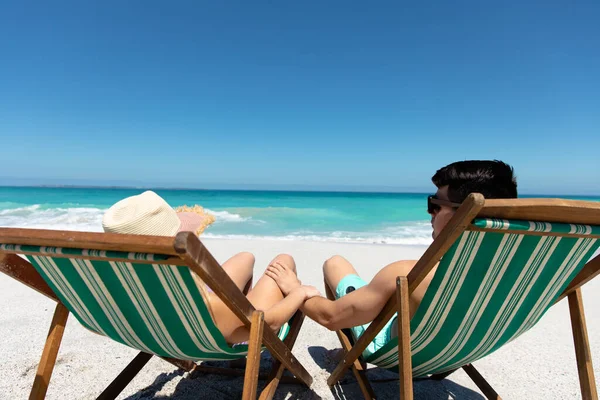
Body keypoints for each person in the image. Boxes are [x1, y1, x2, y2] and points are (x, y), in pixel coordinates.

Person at [266, 160, 518, 359]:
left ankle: (351, 351)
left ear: (461, 215)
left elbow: (330, 317)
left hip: (398, 349)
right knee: (337, 263)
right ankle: (367, 299)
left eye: (435, 205)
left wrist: (295, 289)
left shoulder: (412, 274)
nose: (430, 213)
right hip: (460, 348)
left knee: (332, 264)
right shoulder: (523, 273)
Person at [102, 190, 319, 344]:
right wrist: (298, 292)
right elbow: (267, 324)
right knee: (284, 260)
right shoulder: (193, 296)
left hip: (167, 328)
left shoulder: (119, 281)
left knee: (245, 257)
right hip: (227, 327)